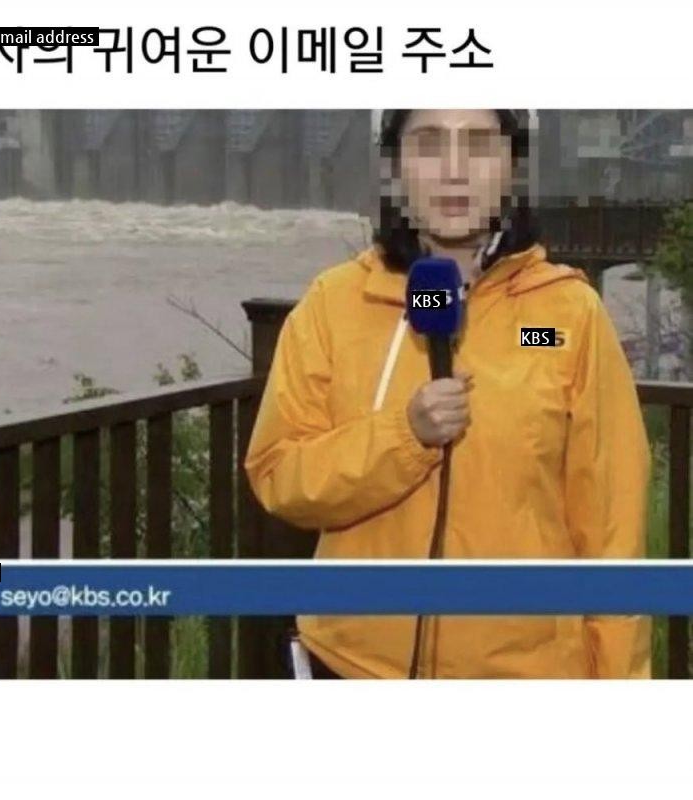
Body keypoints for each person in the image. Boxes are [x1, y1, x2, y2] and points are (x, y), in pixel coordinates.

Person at [243, 109, 651, 679]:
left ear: (513, 165)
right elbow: (280, 476)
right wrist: (403, 437)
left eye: (479, 144)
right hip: (354, 667)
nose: (454, 170)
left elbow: (612, 527)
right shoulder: (334, 306)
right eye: (429, 143)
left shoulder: (562, 319)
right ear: (394, 167)